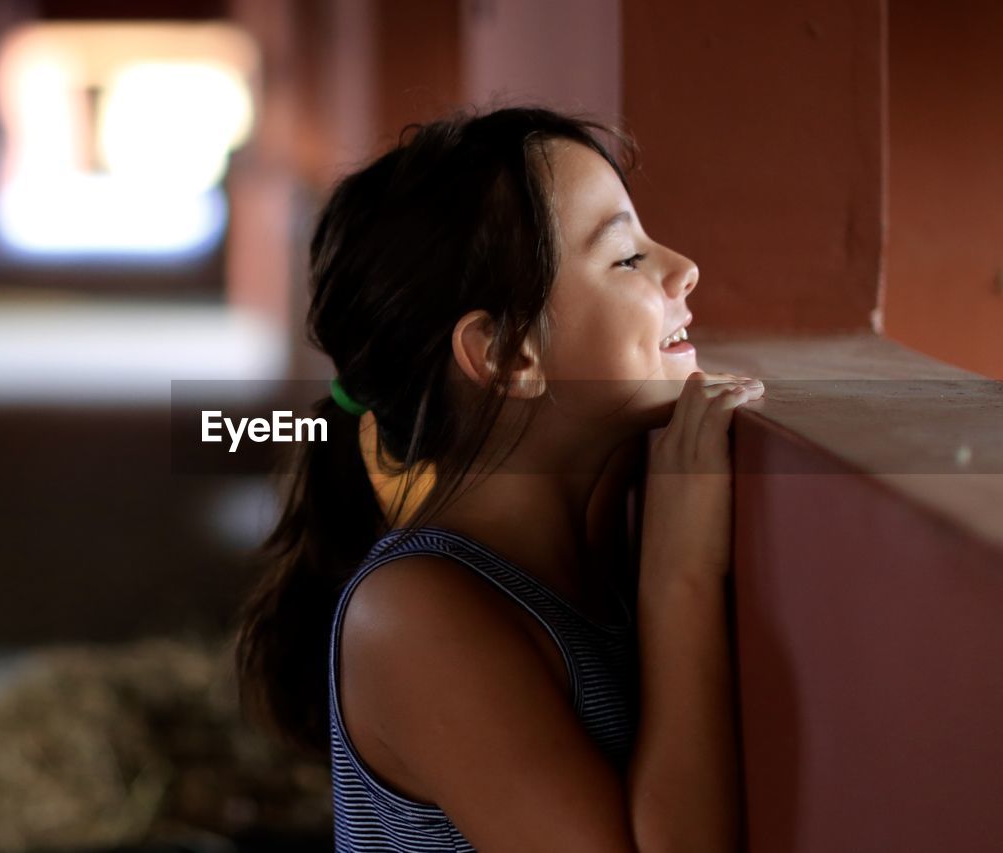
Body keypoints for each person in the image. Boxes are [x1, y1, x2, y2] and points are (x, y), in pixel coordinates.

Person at [235, 106, 765, 851]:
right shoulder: (415, 613)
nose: (682, 267)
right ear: (510, 354)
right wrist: (682, 576)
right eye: (625, 258)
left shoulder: (594, 537)